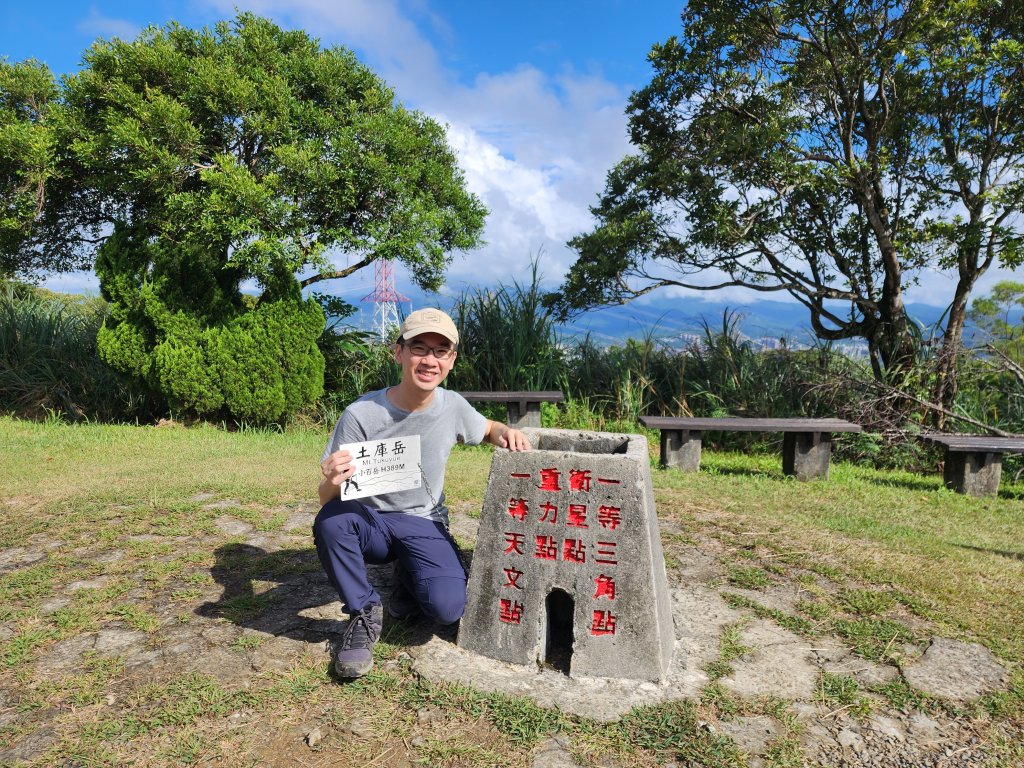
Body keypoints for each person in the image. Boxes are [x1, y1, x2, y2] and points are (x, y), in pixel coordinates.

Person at [314, 307, 531, 678]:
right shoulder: (361, 413)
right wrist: (333, 478)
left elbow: (487, 427)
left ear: (451, 361)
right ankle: (363, 612)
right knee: (330, 523)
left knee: (446, 609)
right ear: (398, 353)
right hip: (370, 522)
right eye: (419, 348)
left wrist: (504, 433)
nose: (429, 360)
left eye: (440, 351)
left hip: (424, 522)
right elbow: (326, 499)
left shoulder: (453, 406)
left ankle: (409, 576)